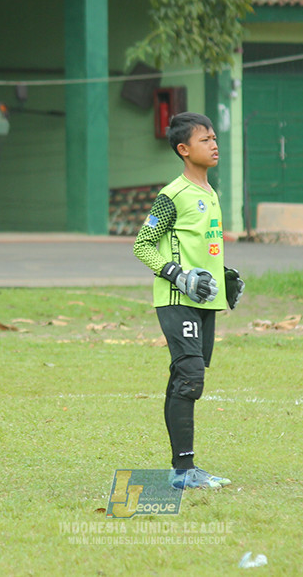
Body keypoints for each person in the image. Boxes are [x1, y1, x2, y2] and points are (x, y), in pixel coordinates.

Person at [133, 112, 245, 490]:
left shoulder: (210, 193)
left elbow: (200, 247)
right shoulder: (172, 195)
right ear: (184, 149)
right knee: (190, 378)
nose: (214, 145)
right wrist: (178, 276)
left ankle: (182, 470)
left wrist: (225, 276)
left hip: (205, 302)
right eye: (205, 140)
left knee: (184, 378)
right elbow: (142, 245)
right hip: (175, 298)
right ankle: (184, 472)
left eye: (215, 138)